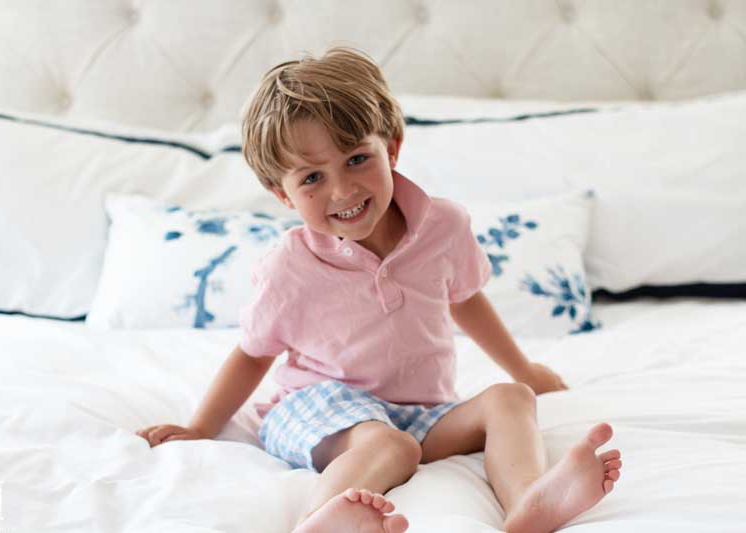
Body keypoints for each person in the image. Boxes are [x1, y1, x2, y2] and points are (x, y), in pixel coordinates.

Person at [136, 47, 623, 533]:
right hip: (319, 408)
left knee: (511, 399)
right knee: (388, 446)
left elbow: (465, 300)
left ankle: (529, 504)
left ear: (391, 148)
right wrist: (200, 427)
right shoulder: (291, 265)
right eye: (312, 178)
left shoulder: (443, 226)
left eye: (356, 159)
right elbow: (252, 353)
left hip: (422, 411)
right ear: (283, 194)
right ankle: (321, 521)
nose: (343, 191)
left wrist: (526, 370)